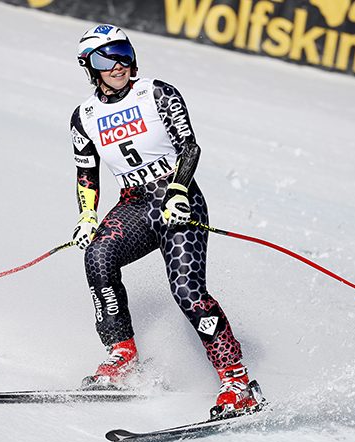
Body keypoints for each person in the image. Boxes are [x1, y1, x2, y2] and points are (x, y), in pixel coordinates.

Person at [69, 24, 263, 418]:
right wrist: (87, 216)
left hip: (179, 200)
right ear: (89, 66)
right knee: (98, 257)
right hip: (135, 204)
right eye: (106, 58)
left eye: (124, 53)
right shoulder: (84, 116)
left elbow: (189, 146)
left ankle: (237, 381)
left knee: (188, 292)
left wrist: (178, 189)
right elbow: (86, 173)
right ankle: (123, 356)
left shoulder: (157, 93)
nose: (118, 64)